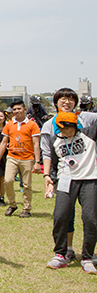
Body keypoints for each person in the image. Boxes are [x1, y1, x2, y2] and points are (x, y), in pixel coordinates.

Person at [40, 88, 97, 263]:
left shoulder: (89, 133)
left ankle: (87, 257)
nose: (65, 130)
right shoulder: (53, 137)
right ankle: (61, 253)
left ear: (76, 125)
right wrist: (48, 177)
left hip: (89, 179)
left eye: (68, 127)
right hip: (66, 180)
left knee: (90, 218)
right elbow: (51, 158)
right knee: (61, 216)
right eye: (61, 127)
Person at [0, 100, 41, 218]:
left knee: (26, 185)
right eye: (14, 110)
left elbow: (36, 144)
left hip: (27, 158)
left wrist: (37, 162)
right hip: (12, 157)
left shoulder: (32, 125)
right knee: (8, 180)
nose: (17, 111)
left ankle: (26, 208)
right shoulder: (9, 125)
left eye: (19, 109)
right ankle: (12, 204)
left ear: (25, 109)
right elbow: (4, 142)